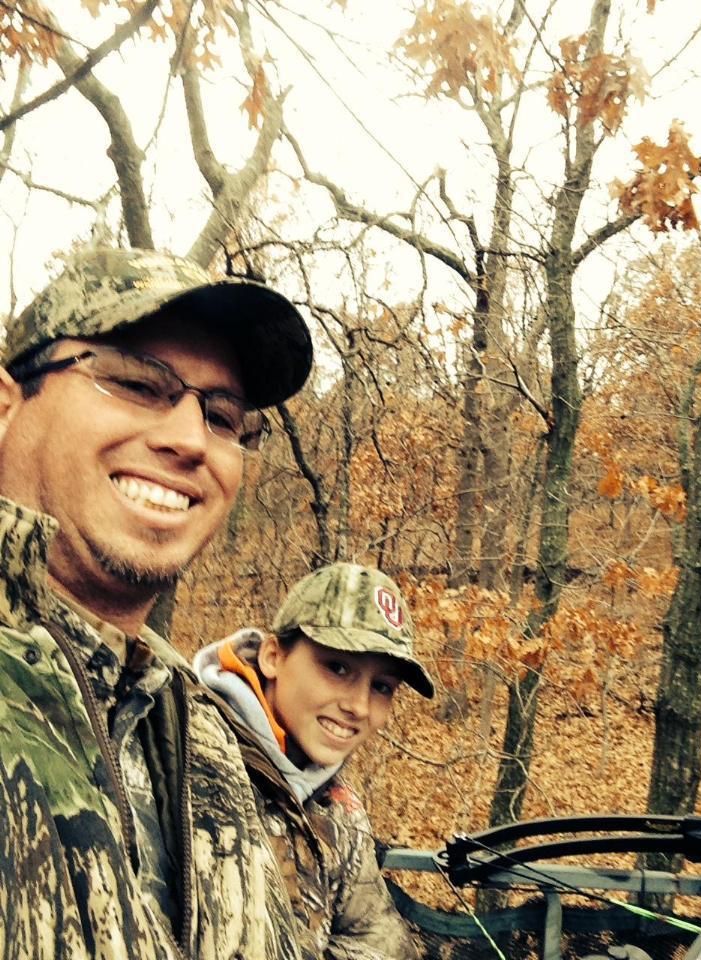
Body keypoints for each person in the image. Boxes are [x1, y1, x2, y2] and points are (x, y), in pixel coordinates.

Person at [0, 246, 315, 960]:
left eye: (223, 417)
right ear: (7, 408)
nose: (189, 440)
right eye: (137, 383)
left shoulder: (204, 732)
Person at [193, 561, 435, 960]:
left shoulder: (337, 806)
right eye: (337, 667)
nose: (359, 706)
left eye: (381, 687)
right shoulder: (190, 762)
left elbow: (380, 939)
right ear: (273, 656)